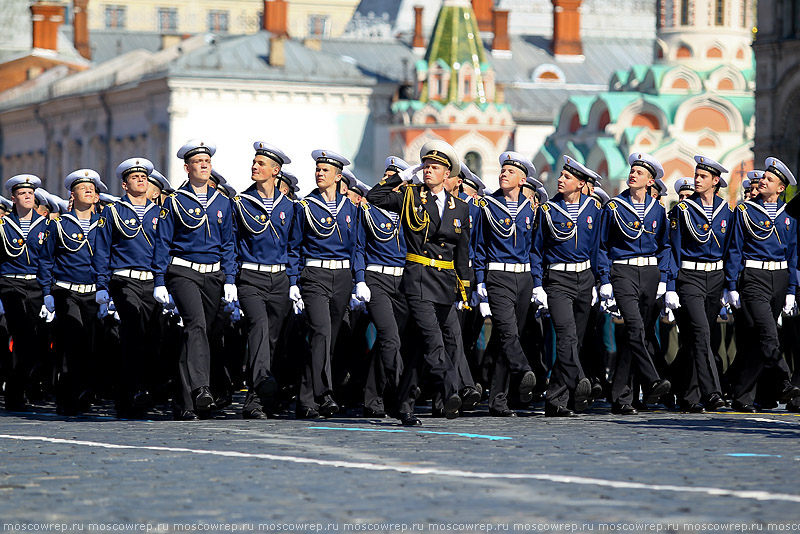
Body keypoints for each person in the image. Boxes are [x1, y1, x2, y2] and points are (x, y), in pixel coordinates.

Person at [367, 140, 472, 426]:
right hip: (418, 279)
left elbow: (462, 253)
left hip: (445, 283)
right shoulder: (410, 197)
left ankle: (404, 405)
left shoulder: (460, 208)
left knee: (415, 349)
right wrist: (401, 177)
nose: (428, 170)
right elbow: (374, 197)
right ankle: (451, 389)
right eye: (425, 165)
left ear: (447, 174)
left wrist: (466, 287)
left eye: (434, 167)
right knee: (433, 339)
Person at [152, 139, 238, 420]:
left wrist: (229, 279)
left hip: (213, 274)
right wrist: (159, 281)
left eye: (207, 161)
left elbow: (228, 244)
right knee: (196, 325)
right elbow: (163, 243)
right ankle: (202, 389)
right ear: (187, 167)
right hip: (183, 272)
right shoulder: (175, 202)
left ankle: (184, 401)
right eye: (198, 161)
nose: (204, 165)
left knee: (199, 334)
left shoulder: (223, 202)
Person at [597, 153, 672, 415]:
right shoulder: (614, 207)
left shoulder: (658, 210)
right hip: (623, 270)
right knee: (635, 327)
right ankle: (652, 379)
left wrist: (663, 278)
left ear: (650, 180)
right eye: (632, 171)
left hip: (650, 273)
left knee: (635, 335)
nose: (633, 175)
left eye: (639, 173)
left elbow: (665, 246)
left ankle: (621, 397)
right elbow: (603, 245)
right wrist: (605, 279)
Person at [724, 157, 800, 412]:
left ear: (780, 188)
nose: (762, 182)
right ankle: (784, 380)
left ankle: (742, 395)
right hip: (754, 278)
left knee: (759, 341)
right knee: (768, 332)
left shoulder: (789, 214)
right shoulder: (745, 211)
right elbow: (735, 249)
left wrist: (790, 290)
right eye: (763, 178)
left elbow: (793, 254)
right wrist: (732, 285)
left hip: (779, 279)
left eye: (769, 180)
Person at [531, 156, 604, 417]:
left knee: (576, 340)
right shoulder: (548, 211)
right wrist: (538, 284)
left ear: (581, 184)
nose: (560, 180)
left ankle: (555, 399)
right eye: (561, 176)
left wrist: (600, 281)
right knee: (566, 335)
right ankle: (579, 380)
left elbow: (598, 248)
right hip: (558, 280)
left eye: (567, 178)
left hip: (584, 279)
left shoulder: (594, 209)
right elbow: (536, 250)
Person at [289, 149, 359, 418]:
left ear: (338, 176)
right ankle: (325, 394)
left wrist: (358, 280)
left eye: (325, 170)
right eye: (317, 169)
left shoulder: (351, 208)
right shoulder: (305, 207)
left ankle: (306, 400)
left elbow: (357, 247)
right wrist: (294, 281)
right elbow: (295, 246)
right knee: (320, 333)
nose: (319, 173)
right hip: (315, 275)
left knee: (327, 341)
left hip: (341, 277)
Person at [92, 158, 164, 418]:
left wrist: (164, 282)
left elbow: (165, 248)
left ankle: (143, 391)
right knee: (133, 334)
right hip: (125, 280)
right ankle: (127, 397)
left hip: (153, 282)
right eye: (135, 178)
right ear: (124, 184)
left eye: (144, 177)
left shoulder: (159, 212)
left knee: (153, 338)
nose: (141, 181)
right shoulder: (113, 212)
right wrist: (102, 284)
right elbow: (102, 249)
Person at [232, 142, 299, 419]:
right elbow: (232, 243)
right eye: (254, 162)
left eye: (261, 163)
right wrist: (230, 281)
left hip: (279, 278)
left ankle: (257, 402)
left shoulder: (290, 206)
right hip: (250, 277)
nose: (254, 166)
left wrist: (293, 281)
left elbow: (294, 246)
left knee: (273, 340)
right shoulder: (241, 202)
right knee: (258, 328)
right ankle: (262, 381)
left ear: (276, 171)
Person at [473, 152, 539, 417]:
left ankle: (498, 400)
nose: (503, 174)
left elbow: (535, 248)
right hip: (497, 276)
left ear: (522, 179)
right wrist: (480, 280)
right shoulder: (487, 206)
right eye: (502, 170)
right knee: (507, 330)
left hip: (523, 277)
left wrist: (536, 282)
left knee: (505, 338)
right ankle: (525, 370)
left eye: (510, 172)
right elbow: (478, 246)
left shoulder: (531, 208)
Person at [668, 155, 732, 413]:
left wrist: (730, 285)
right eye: (696, 175)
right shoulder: (682, 210)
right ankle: (713, 393)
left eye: (703, 176)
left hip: (715, 278)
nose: (696, 179)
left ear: (715, 181)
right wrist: (670, 285)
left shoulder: (727, 210)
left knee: (696, 340)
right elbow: (672, 249)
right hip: (690, 278)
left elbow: (730, 249)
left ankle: (686, 393)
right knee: (702, 333)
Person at [38, 169, 103, 415]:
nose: (89, 190)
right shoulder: (59, 225)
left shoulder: (105, 223)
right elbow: (46, 260)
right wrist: (47, 292)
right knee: (72, 341)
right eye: (83, 187)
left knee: (90, 343)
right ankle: (67, 397)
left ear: (97, 197)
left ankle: (84, 392)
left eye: (93, 188)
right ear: (72, 195)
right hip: (66, 291)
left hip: (94, 292)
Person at [0, 174, 49, 411]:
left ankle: (21, 386)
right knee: (21, 335)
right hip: (11, 284)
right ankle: (15, 394)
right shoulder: (3, 226)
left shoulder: (46, 225)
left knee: (32, 341)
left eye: (30, 193)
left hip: (36, 286)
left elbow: (49, 260)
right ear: (14, 198)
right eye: (22, 193)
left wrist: (48, 291)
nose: (28, 196)